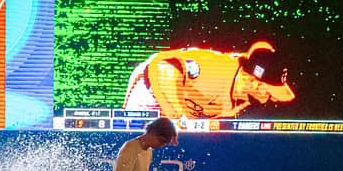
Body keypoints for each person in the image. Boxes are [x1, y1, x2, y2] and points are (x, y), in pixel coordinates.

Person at [123, 39, 295, 120]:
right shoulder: (216, 70)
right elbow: (165, 67)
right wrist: (179, 116)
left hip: (176, 114)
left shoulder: (243, 100)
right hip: (149, 92)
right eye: (270, 93)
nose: (271, 99)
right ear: (253, 82)